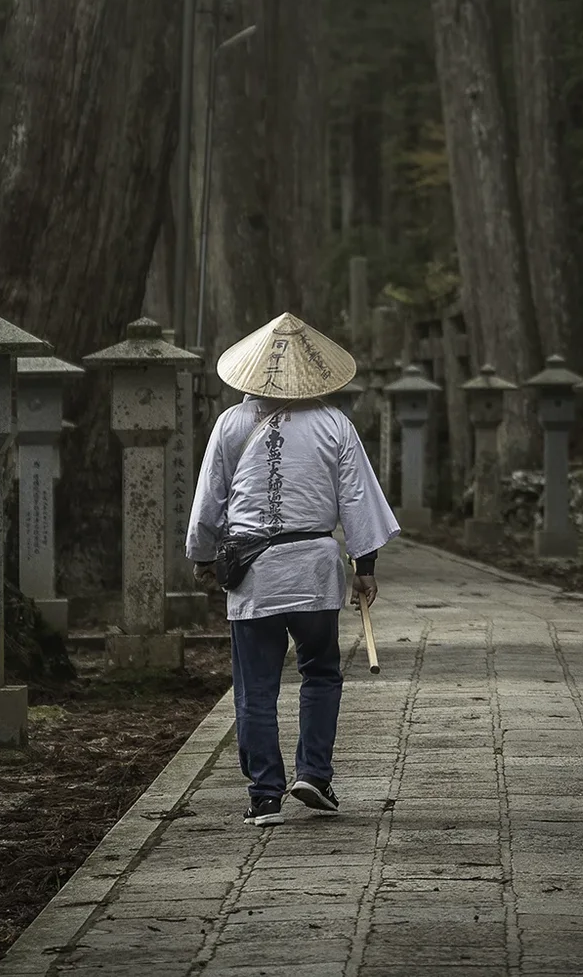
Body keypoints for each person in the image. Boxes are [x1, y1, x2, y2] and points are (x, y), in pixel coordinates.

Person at [186, 311, 399, 826]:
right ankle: (315, 775)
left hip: (252, 571)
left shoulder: (232, 423)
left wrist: (202, 555)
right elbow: (357, 501)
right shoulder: (334, 424)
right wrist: (364, 567)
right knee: (320, 673)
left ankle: (264, 793)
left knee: (255, 685)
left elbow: (210, 496)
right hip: (314, 570)